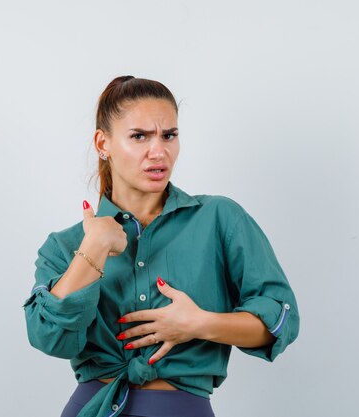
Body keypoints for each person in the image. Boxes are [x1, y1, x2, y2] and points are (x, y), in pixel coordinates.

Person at [22, 75, 300, 417]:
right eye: (139, 136)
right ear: (103, 143)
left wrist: (198, 323)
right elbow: (48, 337)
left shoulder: (219, 218)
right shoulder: (64, 246)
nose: (159, 152)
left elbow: (281, 321)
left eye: (169, 135)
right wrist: (93, 248)